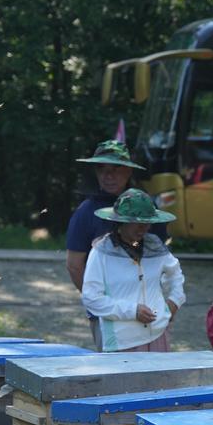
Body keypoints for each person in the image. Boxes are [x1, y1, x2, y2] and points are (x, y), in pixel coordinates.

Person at [65, 140, 166, 345]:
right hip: (108, 316)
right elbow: (74, 266)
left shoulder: (148, 208)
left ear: (128, 171)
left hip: (149, 312)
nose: (108, 175)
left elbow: (162, 261)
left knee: (153, 370)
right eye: (101, 169)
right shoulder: (86, 213)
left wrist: (166, 305)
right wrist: (101, 303)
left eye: (115, 169)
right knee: (113, 373)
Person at [81, 189, 184, 352]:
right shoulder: (101, 252)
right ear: (121, 221)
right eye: (137, 222)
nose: (143, 227)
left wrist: (174, 301)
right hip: (122, 341)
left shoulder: (154, 245)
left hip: (158, 334)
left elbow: (175, 274)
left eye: (147, 221)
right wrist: (132, 311)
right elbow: (91, 298)